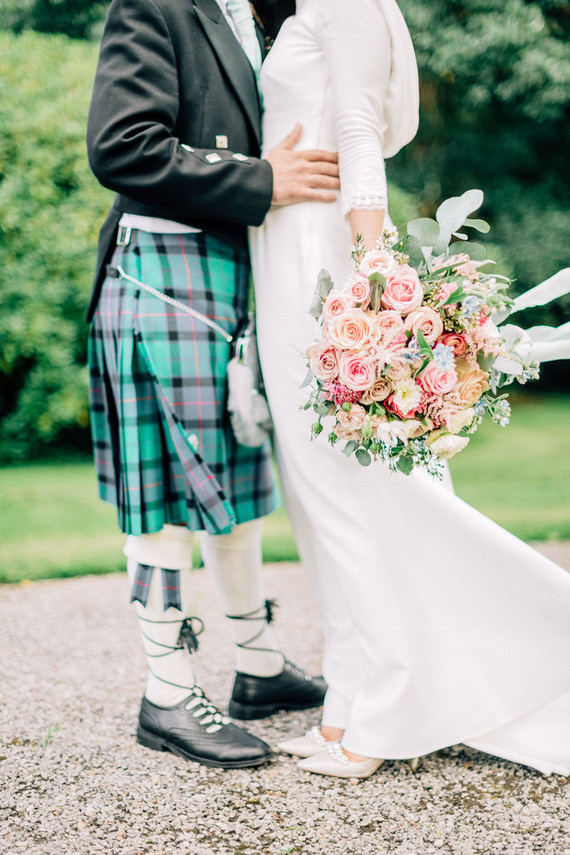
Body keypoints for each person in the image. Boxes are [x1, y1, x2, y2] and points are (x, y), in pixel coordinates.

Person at [250, 0, 570, 778]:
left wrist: (372, 272)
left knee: (350, 491)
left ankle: (389, 712)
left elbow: (360, 132)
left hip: (319, 253)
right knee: (317, 496)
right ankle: (347, 700)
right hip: (282, 246)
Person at [85, 0, 340, 769]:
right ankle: (166, 692)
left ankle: (257, 665)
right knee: (165, 488)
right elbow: (121, 146)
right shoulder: (155, 5)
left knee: (235, 470)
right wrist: (259, 178)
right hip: (162, 270)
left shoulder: (253, 14)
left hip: (228, 273)